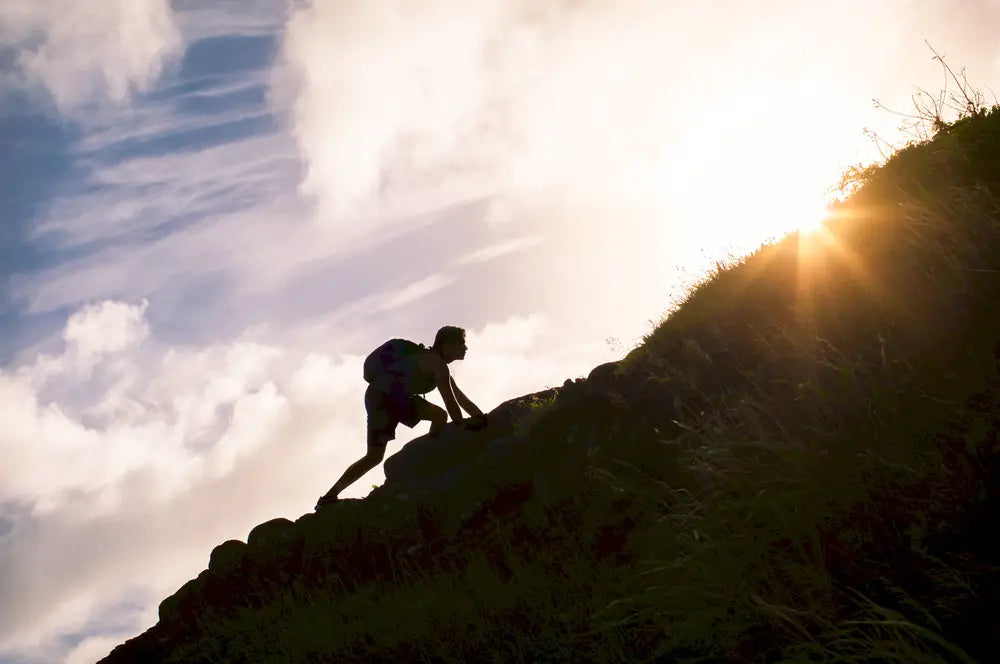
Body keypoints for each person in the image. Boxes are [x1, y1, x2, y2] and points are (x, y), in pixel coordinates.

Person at [315, 325, 487, 508]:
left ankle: (327, 499)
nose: (465, 348)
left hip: (385, 396)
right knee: (375, 455)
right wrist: (463, 426)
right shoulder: (438, 366)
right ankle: (329, 497)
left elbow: (460, 398)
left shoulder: (436, 364)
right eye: (462, 344)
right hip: (384, 398)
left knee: (436, 417)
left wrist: (478, 416)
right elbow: (451, 403)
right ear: (447, 345)